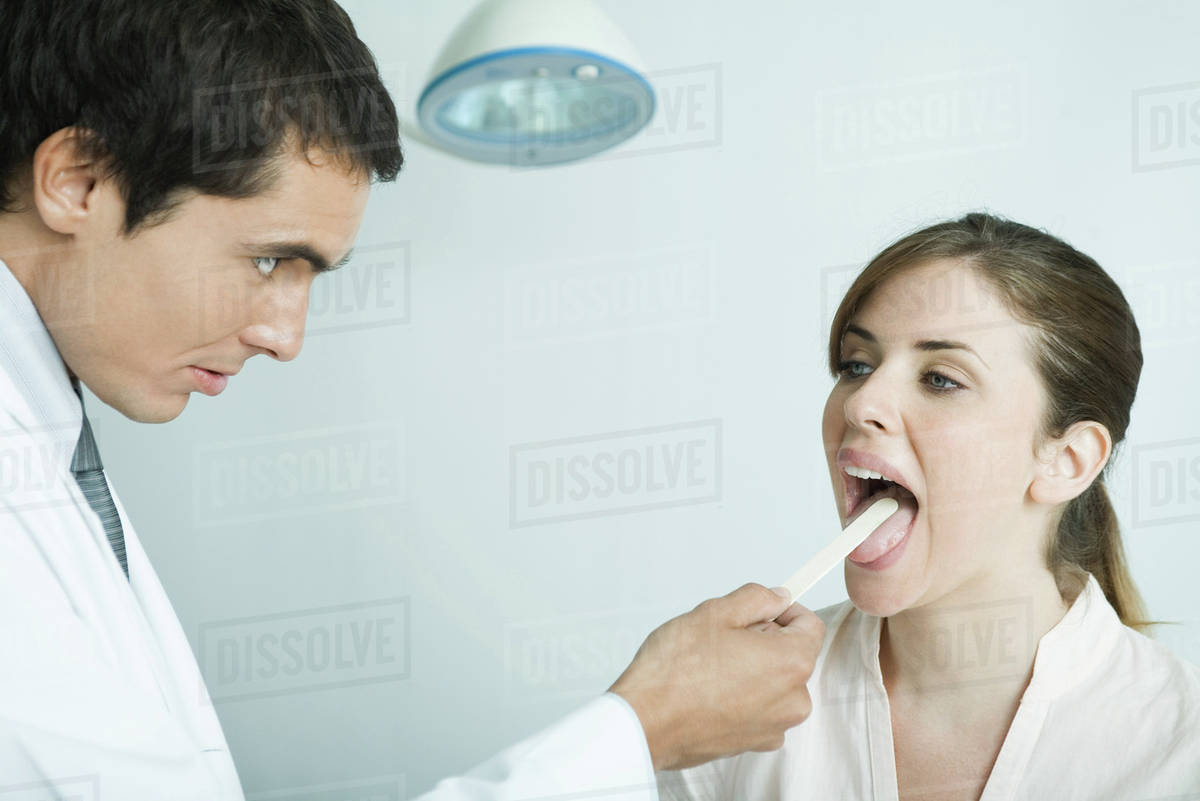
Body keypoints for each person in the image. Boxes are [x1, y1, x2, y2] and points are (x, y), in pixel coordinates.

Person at [0, 1, 826, 798]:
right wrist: (643, 733)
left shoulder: (44, 434)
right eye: (266, 261)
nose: (286, 337)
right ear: (79, 180)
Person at [656, 213, 1200, 800]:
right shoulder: (729, 719)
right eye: (856, 365)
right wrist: (648, 726)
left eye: (940, 378)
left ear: (1066, 461)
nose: (862, 402)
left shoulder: (1179, 750)